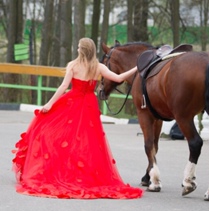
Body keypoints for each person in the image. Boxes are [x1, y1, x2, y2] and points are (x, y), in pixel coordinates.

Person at [12, 38, 143, 199]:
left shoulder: (73, 66)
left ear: (81, 50)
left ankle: (61, 171)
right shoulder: (98, 67)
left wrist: (49, 104)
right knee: (88, 142)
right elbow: (118, 78)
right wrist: (137, 67)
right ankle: (83, 174)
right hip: (89, 105)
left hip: (72, 102)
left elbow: (63, 87)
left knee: (59, 134)